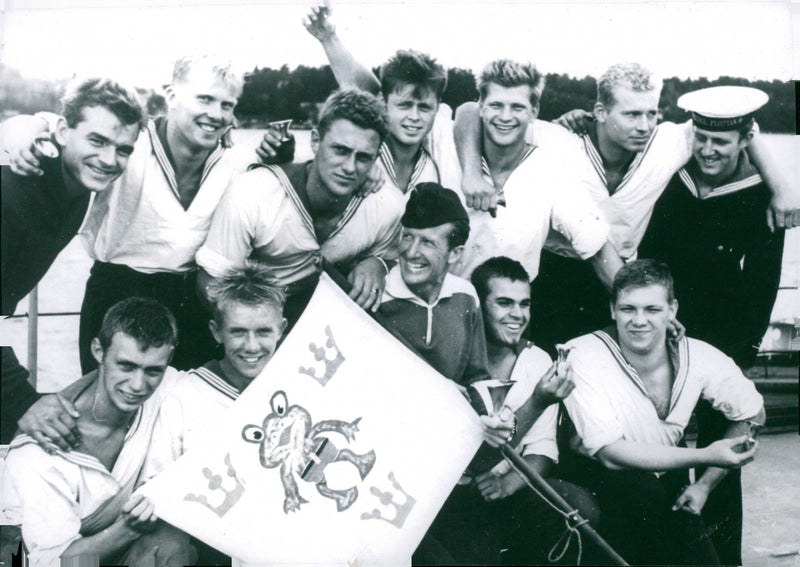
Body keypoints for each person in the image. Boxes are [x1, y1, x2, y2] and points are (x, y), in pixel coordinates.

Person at [454, 62, 796, 355]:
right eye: (632, 114)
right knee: (545, 372)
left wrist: (782, 187)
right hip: (556, 275)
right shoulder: (558, 140)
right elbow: (469, 111)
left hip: (619, 278)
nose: (644, 125)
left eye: (651, 113)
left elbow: (740, 128)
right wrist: (471, 171)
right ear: (600, 112)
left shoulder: (666, 144)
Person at [2, 55, 293, 374]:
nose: (215, 114)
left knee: (189, 409)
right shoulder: (125, 143)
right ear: (171, 97)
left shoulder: (238, 160)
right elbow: (41, 123)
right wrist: (21, 136)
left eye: (226, 105)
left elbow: (276, 197)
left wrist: (280, 153)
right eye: (205, 99)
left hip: (192, 300)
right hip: (117, 292)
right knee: (114, 412)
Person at [638, 85, 787, 564]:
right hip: (666, 335)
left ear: (745, 138)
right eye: (700, 137)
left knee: (723, 461)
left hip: (725, 342)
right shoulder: (677, 180)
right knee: (661, 446)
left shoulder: (763, 197)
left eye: (719, 142)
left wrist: (741, 357)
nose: (707, 149)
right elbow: (652, 256)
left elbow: (764, 288)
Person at [561, 260, 766, 565]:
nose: (639, 320)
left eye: (652, 310)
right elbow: (610, 454)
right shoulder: (583, 353)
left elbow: (753, 413)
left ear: (672, 310)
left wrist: (704, 485)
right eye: (628, 309)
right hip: (600, 480)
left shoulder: (699, 355)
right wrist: (707, 455)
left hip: (661, 482)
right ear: (612, 309)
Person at [425, 256, 600, 565]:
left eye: (525, 304)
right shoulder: (451, 350)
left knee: (580, 508)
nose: (517, 315)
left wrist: (507, 485)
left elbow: (543, 450)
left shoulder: (537, 361)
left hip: (507, 487)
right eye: (504, 303)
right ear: (478, 306)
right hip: (448, 493)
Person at [0, 77, 146, 444]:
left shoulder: (74, 183)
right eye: (96, 141)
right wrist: (20, 399)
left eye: (124, 149)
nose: (109, 160)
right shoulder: (14, 187)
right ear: (63, 131)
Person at [196, 88, 404, 327]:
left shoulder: (388, 206)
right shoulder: (253, 193)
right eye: (341, 150)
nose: (349, 167)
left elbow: (392, 256)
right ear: (315, 141)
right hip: (254, 320)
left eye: (363, 157)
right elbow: (210, 283)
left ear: (376, 158)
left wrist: (377, 264)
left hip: (322, 322)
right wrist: (257, 329)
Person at [1, 298, 183, 567]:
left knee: (170, 545)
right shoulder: (40, 451)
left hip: (121, 550)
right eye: (126, 366)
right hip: (52, 560)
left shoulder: (172, 389)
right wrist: (130, 528)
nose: (138, 385)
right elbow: (53, 564)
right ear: (98, 351)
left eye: (153, 371)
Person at [131, 261, 287, 566]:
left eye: (263, 332)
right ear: (216, 332)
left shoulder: (299, 385)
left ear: (281, 329)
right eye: (238, 332)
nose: (251, 346)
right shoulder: (184, 396)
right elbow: (156, 488)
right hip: (210, 544)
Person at [447, 59, 623, 289]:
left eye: (517, 107)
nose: (506, 117)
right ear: (481, 107)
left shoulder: (550, 168)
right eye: (496, 105)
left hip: (510, 312)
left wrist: (639, 300)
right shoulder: (451, 151)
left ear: (534, 111)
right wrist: (471, 173)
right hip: (444, 305)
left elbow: (596, 245)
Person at [302, 1, 461, 196]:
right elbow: (365, 89)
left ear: (437, 108)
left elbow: (470, 113)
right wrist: (329, 38)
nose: (414, 116)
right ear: (383, 105)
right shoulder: (359, 150)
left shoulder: (441, 137)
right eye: (404, 105)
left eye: (425, 107)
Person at [375, 182, 487, 386]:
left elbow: (477, 378)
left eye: (427, 242)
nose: (411, 252)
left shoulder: (466, 296)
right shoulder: (376, 293)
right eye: (407, 236)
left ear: (455, 253)